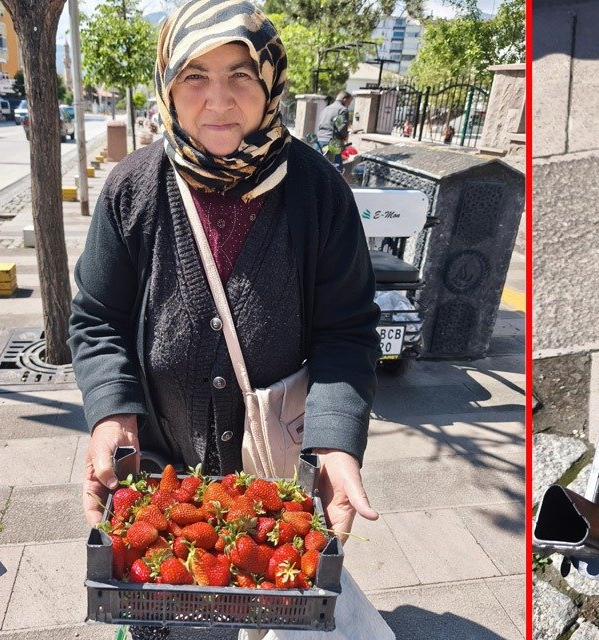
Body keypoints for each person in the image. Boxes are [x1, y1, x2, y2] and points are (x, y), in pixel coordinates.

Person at [69, 1, 380, 633]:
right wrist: (110, 415)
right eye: (194, 76)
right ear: (167, 85)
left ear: (270, 83)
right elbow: (97, 318)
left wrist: (338, 445)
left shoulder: (319, 194)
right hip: (159, 479)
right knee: (170, 623)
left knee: (270, 610)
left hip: (269, 486)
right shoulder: (133, 191)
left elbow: (346, 333)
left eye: (241, 74)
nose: (219, 100)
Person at [315, 90, 352, 170]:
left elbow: (319, 125)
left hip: (319, 142)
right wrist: (345, 136)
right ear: (344, 99)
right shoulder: (343, 110)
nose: (348, 105)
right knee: (336, 171)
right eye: (349, 102)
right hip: (332, 143)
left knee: (316, 168)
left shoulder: (326, 109)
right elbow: (341, 128)